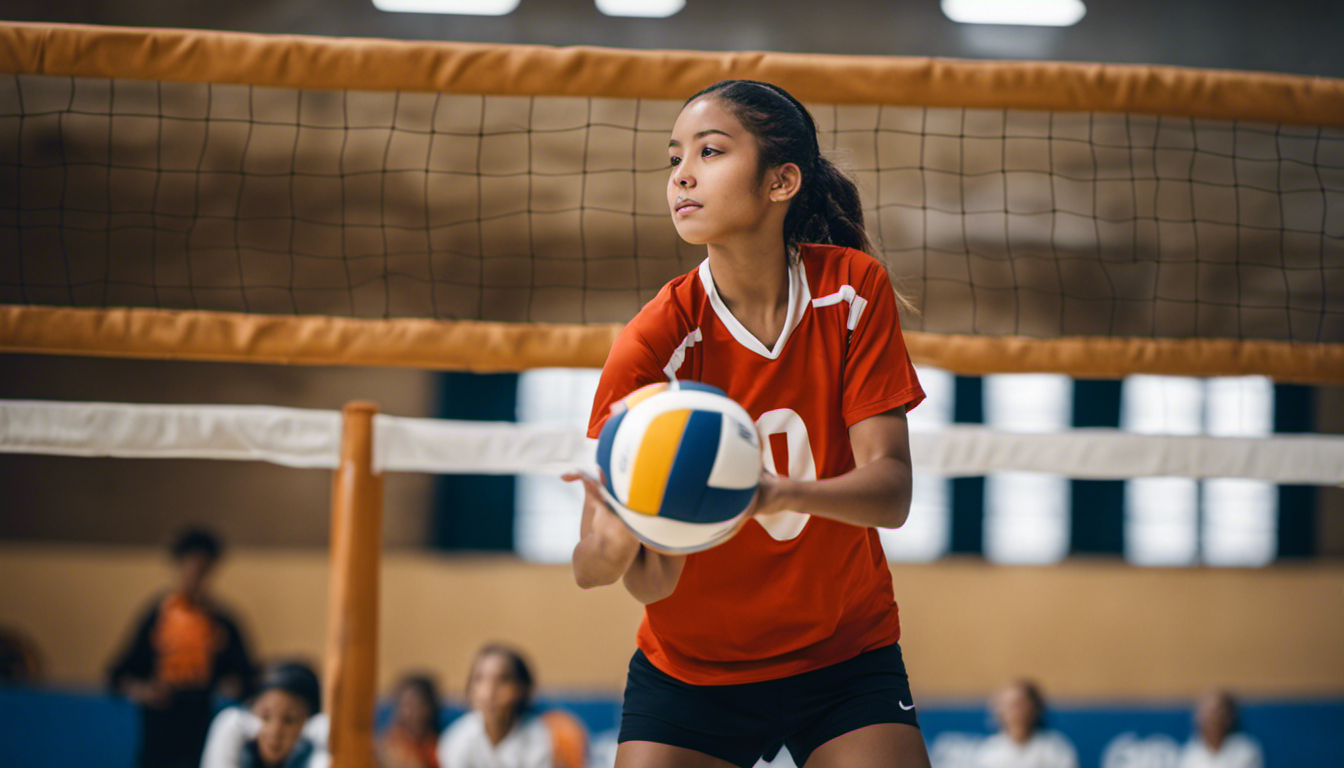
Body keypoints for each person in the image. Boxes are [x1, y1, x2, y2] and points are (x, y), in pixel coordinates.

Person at [565, 79, 928, 768]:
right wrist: (613, 550)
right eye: (673, 159)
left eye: (709, 151)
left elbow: (892, 493)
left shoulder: (851, 290)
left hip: (845, 655)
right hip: (692, 672)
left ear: (781, 180)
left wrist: (774, 492)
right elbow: (643, 579)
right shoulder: (652, 343)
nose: (683, 176)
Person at [108, 527, 257, 768]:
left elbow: (247, 677)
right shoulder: (157, 616)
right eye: (190, 565)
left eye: (203, 568)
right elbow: (118, 674)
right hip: (159, 731)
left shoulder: (222, 622)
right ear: (179, 566)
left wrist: (230, 687)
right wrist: (144, 691)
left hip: (201, 727)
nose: (195, 574)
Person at [437, 644, 587, 768]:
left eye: (502, 680)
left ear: (523, 688)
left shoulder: (540, 737)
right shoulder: (456, 740)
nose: (489, 692)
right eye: (479, 679)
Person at [200, 660, 329, 768]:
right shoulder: (239, 742)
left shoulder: (312, 752)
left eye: (289, 719)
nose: (275, 731)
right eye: (265, 717)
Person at [974, 680, 1078, 768]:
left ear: (1034, 708)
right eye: (1006, 705)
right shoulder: (989, 751)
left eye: (1018, 704)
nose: (1013, 712)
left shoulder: (1055, 749)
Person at [1177, 689, 1264, 768]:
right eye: (1204, 712)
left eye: (1214, 711)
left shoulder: (1246, 750)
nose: (1208, 718)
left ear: (1228, 717)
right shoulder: (1188, 754)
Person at [379, 674, 443, 768]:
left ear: (430, 707)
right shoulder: (388, 746)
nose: (409, 713)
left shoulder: (439, 744)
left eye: (416, 706)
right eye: (404, 705)